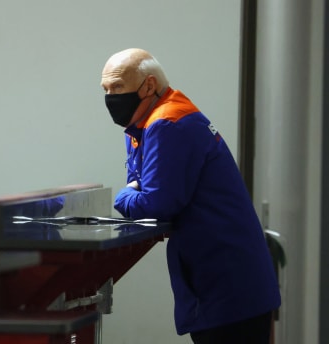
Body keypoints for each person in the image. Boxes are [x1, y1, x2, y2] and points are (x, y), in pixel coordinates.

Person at [100, 48, 281, 344]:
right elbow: (139, 180)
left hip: (226, 284)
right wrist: (137, 190)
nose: (110, 97)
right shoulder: (143, 125)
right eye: (106, 89)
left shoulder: (167, 123)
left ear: (148, 86)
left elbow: (156, 205)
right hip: (227, 282)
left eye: (118, 87)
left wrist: (123, 198)